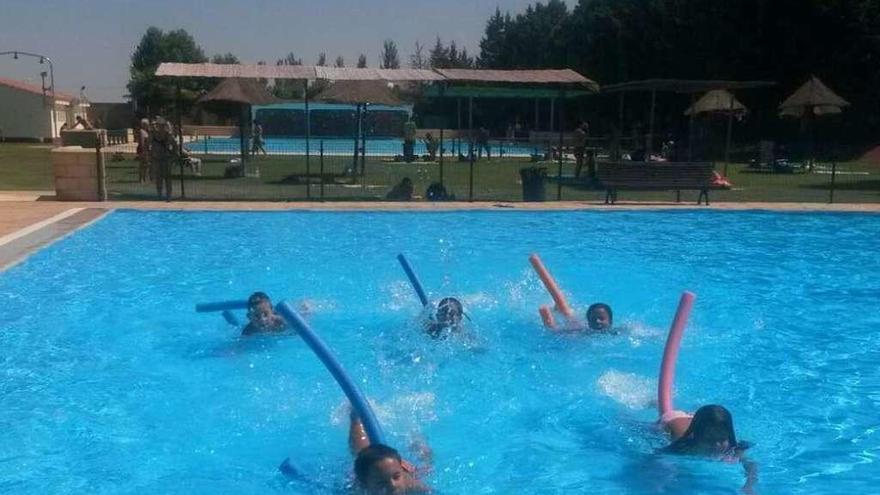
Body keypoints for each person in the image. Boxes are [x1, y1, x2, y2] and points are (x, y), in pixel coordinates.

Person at [660, 405, 757, 492]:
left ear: (729, 435)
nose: (717, 445)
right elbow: (658, 456)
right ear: (696, 436)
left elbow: (751, 465)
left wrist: (749, 486)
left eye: (722, 439)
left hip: (694, 421)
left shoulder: (735, 448)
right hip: (672, 419)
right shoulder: (684, 447)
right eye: (709, 440)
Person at [349, 411, 431, 494]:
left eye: (396, 477)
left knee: (425, 466)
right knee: (361, 451)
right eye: (381, 482)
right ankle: (356, 415)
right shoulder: (357, 491)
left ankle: (416, 438)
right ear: (364, 484)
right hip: (373, 470)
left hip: (400, 468)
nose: (392, 485)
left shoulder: (412, 486)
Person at [149, 116, 177, 200]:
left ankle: (168, 195)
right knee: (159, 178)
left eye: (161, 125)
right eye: (159, 125)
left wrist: (172, 156)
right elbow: (148, 144)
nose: (159, 126)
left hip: (166, 159)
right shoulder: (153, 135)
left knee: (167, 178)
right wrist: (150, 154)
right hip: (157, 159)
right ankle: (159, 195)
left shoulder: (168, 135)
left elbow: (175, 146)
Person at [136, 118, 150, 184]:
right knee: (142, 165)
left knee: (146, 165)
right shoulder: (141, 131)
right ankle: (141, 179)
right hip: (143, 150)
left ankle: (145, 178)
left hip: (146, 150)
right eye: (147, 124)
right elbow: (141, 142)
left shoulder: (146, 132)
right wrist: (143, 150)